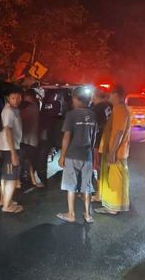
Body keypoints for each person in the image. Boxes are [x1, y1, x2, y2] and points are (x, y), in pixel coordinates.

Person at [56, 87, 97, 223]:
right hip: (87, 156)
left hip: (73, 155)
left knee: (70, 185)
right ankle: (88, 214)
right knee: (87, 186)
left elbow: (66, 136)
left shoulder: (71, 115)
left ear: (76, 99)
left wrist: (62, 155)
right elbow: (95, 136)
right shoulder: (93, 115)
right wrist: (91, 151)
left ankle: (71, 214)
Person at [95, 85, 132, 215]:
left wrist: (112, 151)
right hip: (116, 150)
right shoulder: (119, 109)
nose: (108, 96)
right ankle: (112, 205)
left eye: (110, 94)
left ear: (116, 95)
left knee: (115, 179)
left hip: (116, 151)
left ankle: (113, 208)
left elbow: (119, 132)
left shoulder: (120, 109)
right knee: (114, 178)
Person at [0, 88, 24, 213]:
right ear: (8, 98)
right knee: (11, 178)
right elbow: (7, 130)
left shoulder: (15, 110)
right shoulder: (8, 111)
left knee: (7, 176)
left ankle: (5, 200)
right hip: (10, 148)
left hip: (10, 147)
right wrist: (13, 152)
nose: (16, 100)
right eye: (13, 98)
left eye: (18, 97)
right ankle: (7, 206)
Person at [90, 87, 112, 202]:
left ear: (94, 96)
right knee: (104, 167)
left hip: (98, 141)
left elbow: (92, 127)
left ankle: (100, 194)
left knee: (98, 167)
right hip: (107, 140)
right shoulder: (108, 106)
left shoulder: (96, 109)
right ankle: (105, 191)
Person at [20, 89, 43, 188]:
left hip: (23, 139)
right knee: (30, 161)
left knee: (25, 160)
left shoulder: (24, 107)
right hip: (32, 140)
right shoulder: (35, 106)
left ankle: (24, 179)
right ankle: (32, 179)